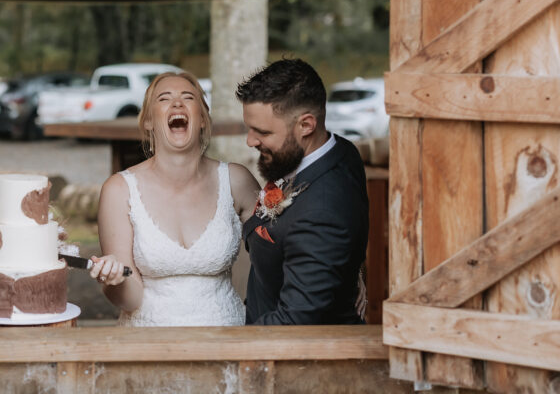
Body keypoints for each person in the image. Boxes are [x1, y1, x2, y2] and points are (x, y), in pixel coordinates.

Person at [89, 71, 260, 326]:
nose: (177, 104)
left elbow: (276, 259)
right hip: (149, 343)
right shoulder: (119, 189)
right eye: (164, 98)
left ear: (202, 119)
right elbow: (131, 299)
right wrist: (114, 281)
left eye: (188, 97)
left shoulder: (237, 180)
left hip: (227, 338)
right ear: (148, 121)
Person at [237, 58, 368, 325]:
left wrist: (225, 344)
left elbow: (294, 320)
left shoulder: (322, 210)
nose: (250, 141)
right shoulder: (339, 151)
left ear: (306, 125)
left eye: (262, 132)